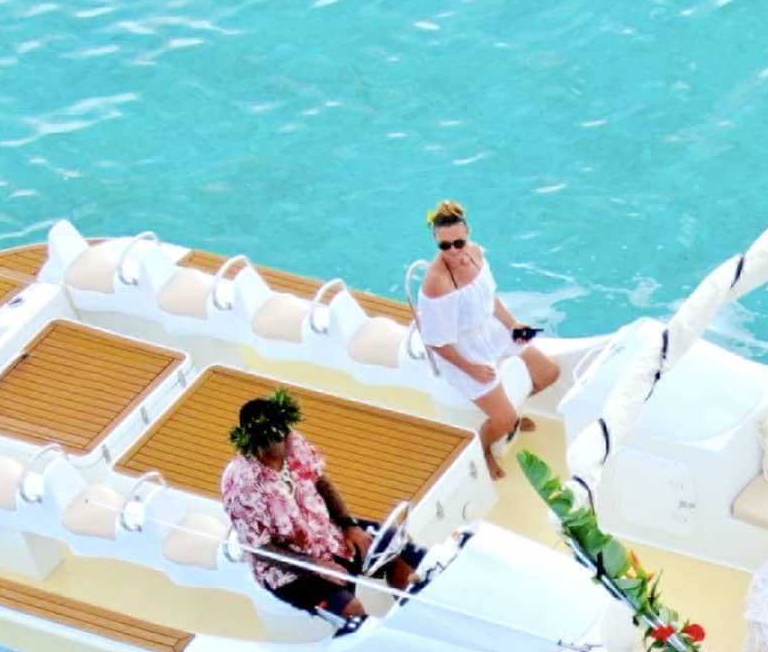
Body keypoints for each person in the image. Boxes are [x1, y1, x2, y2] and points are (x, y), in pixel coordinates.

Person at [220, 388, 423, 626]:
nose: (289, 438)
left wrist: (349, 525)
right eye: (280, 436)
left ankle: (413, 616)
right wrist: (315, 566)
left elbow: (321, 482)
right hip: (288, 570)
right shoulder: (242, 484)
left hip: (329, 535)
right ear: (259, 443)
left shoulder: (293, 443)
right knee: (353, 610)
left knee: (399, 549)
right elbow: (261, 548)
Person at [418, 198, 559, 479]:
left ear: (467, 232)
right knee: (503, 419)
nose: (453, 251)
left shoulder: (476, 254)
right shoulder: (437, 282)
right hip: (462, 351)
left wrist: (513, 324)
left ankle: (511, 416)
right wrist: (471, 369)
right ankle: (483, 450)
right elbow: (435, 342)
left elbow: (488, 298)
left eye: (458, 243)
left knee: (548, 373)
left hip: (489, 330)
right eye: (444, 246)